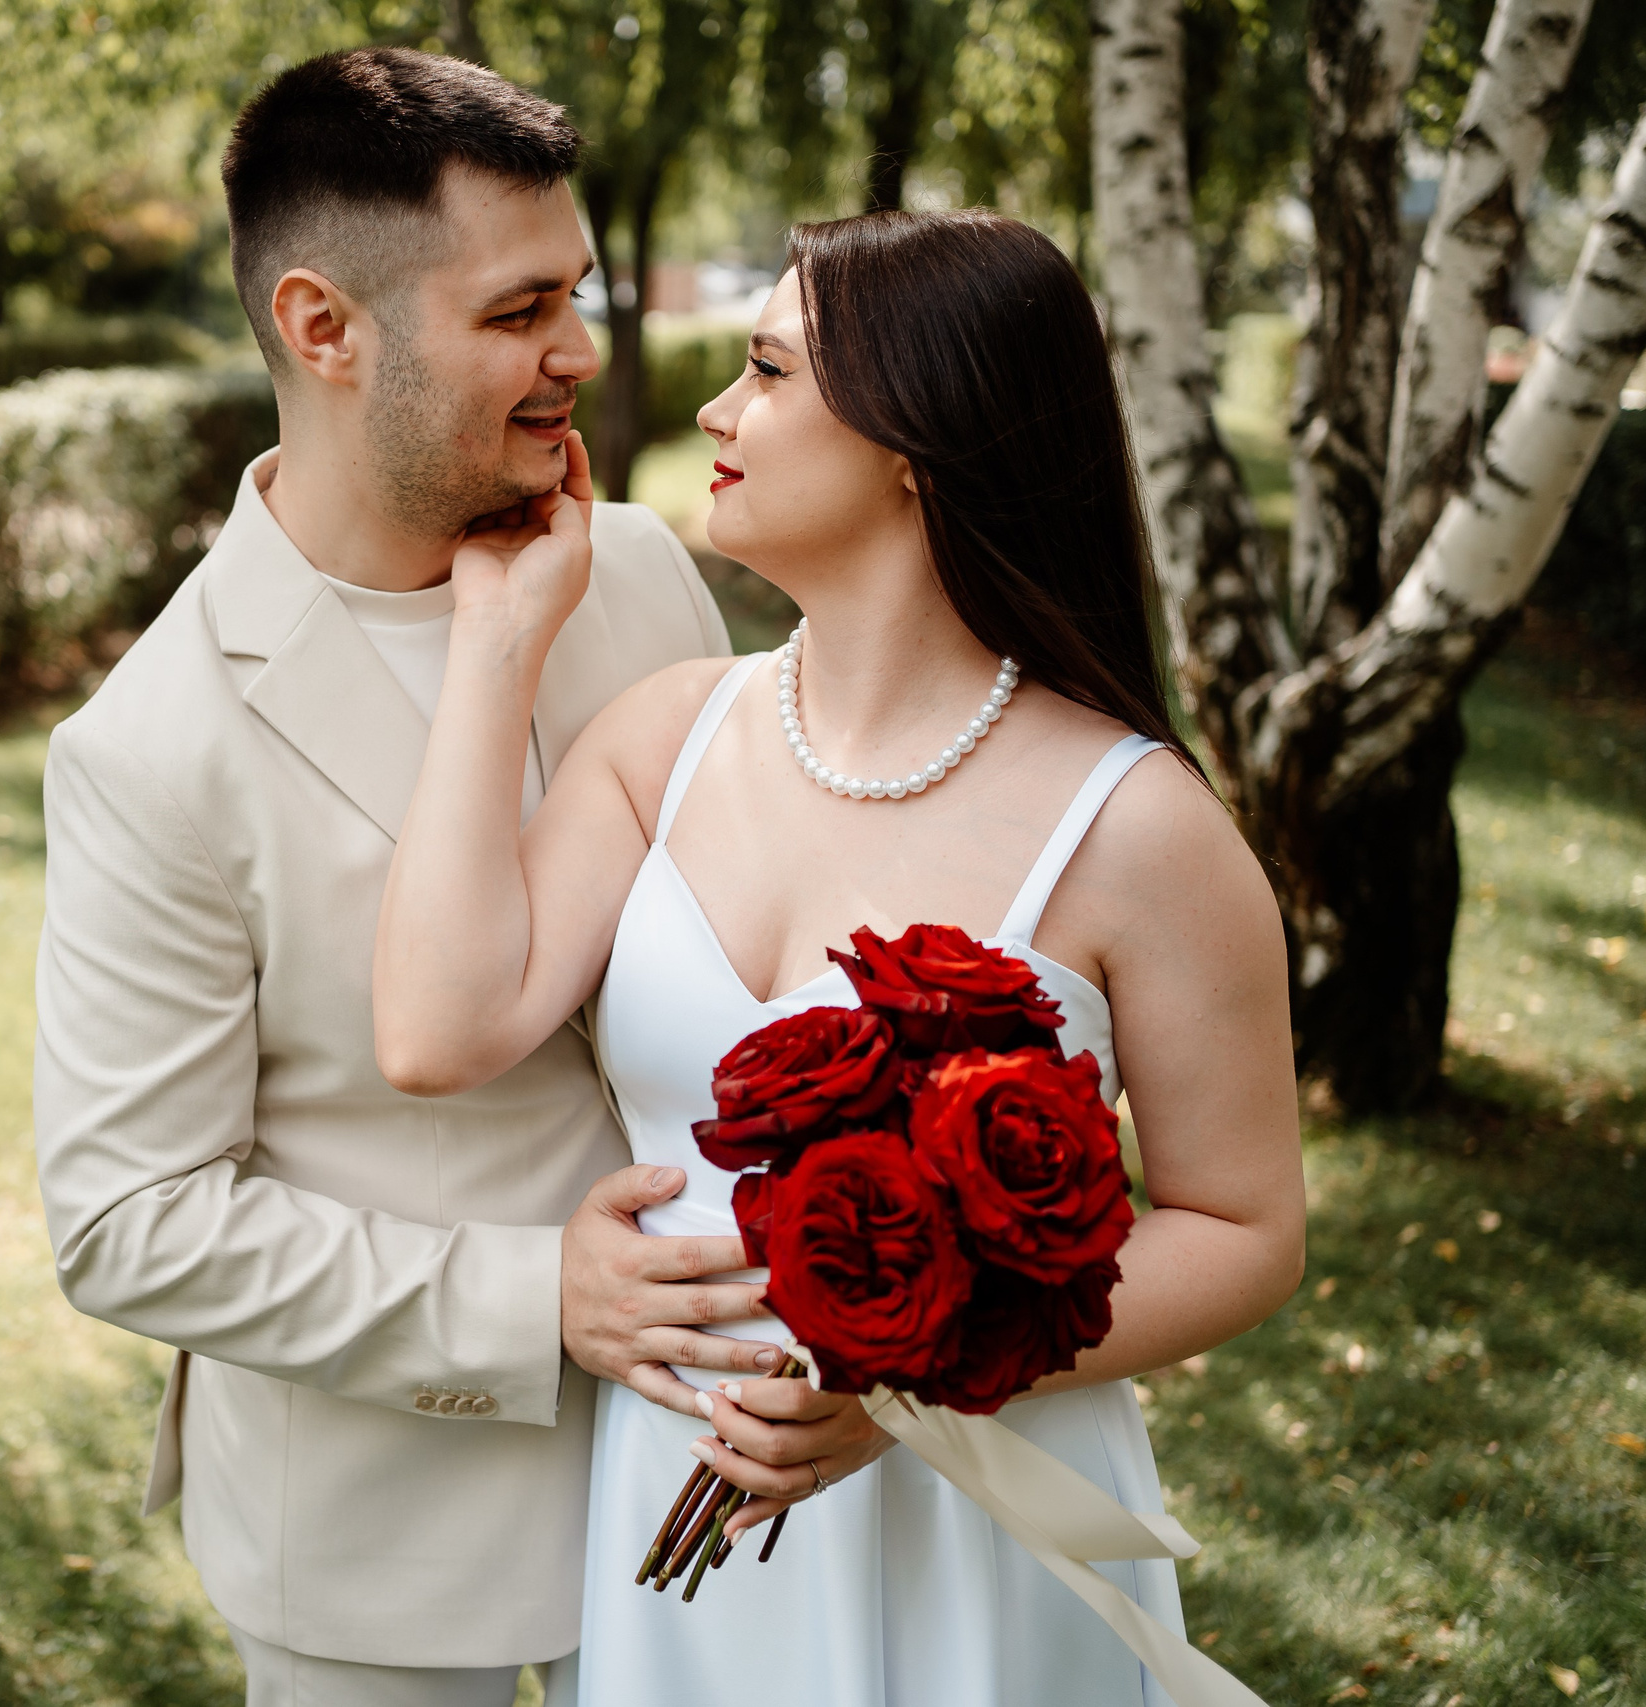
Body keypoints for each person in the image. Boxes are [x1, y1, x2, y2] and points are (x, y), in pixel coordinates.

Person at [371, 208, 1308, 1702]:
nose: (713, 410)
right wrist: (498, 644)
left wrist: (920, 1376)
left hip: (974, 1521)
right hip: (677, 1498)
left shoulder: (1139, 829)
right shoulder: (664, 739)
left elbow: (1246, 1227)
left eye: (767, 371)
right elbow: (436, 1030)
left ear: (912, 443)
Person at [32, 48, 778, 1707]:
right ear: (324, 328)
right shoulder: (151, 746)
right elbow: (133, 1223)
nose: (581, 352)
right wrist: (534, 1300)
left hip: (716, 1470)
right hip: (379, 1549)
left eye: (576, 295)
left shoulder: (642, 576)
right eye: (520, 311)